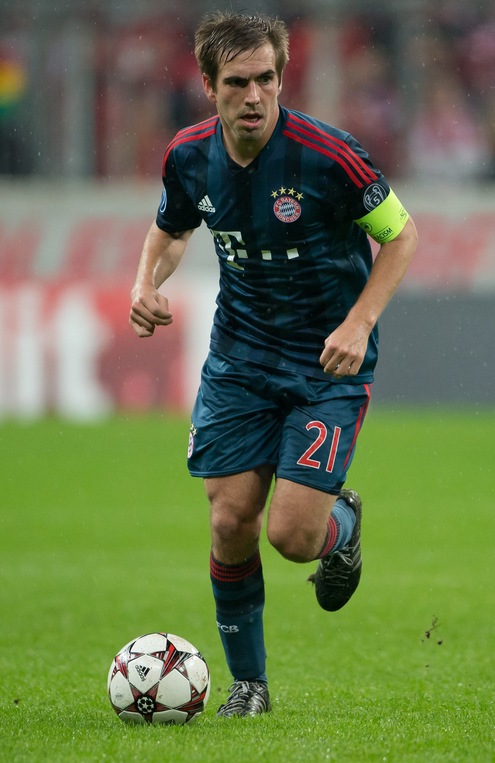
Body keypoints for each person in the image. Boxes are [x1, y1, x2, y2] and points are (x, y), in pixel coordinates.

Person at [129, 11, 418, 718]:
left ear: (282, 78)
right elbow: (171, 229)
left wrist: (358, 322)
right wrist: (146, 283)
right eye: (237, 82)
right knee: (230, 518)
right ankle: (248, 685)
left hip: (327, 363)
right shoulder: (189, 155)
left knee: (291, 536)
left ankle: (338, 524)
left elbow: (401, 235)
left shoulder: (328, 156)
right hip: (240, 357)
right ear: (208, 86)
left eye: (266, 79)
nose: (254, 95)